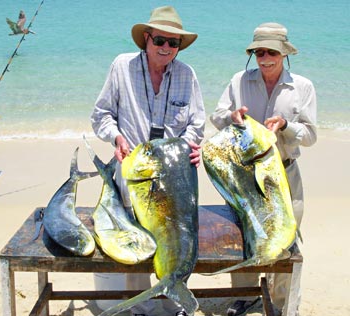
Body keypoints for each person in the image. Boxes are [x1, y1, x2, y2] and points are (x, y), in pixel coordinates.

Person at [91, 6, 206, 316]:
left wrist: (192, 146)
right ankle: (138, 308)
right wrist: (115, 137)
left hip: (175, 180)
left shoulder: (187, 74)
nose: (166, 48)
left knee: (177, 240)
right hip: (132, 176)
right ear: (146, 38)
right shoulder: (121, 66)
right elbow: (100, 115)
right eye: (160, 41)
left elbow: (197, 124)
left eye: (174, 43)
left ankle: (174, 304)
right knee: (134, 244)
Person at [210, 22, 317, 316]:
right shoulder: (238, 80)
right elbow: (216, 117)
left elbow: (310, 136)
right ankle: (244, 295)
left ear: (284, 53)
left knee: (287, 241)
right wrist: (232, 117)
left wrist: (285, 126)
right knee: (244, 234)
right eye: (259, 52)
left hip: (285, 174)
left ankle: (282, 305)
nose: (265, 57)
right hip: (244, 175)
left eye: (272, 51)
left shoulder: (303, 87)